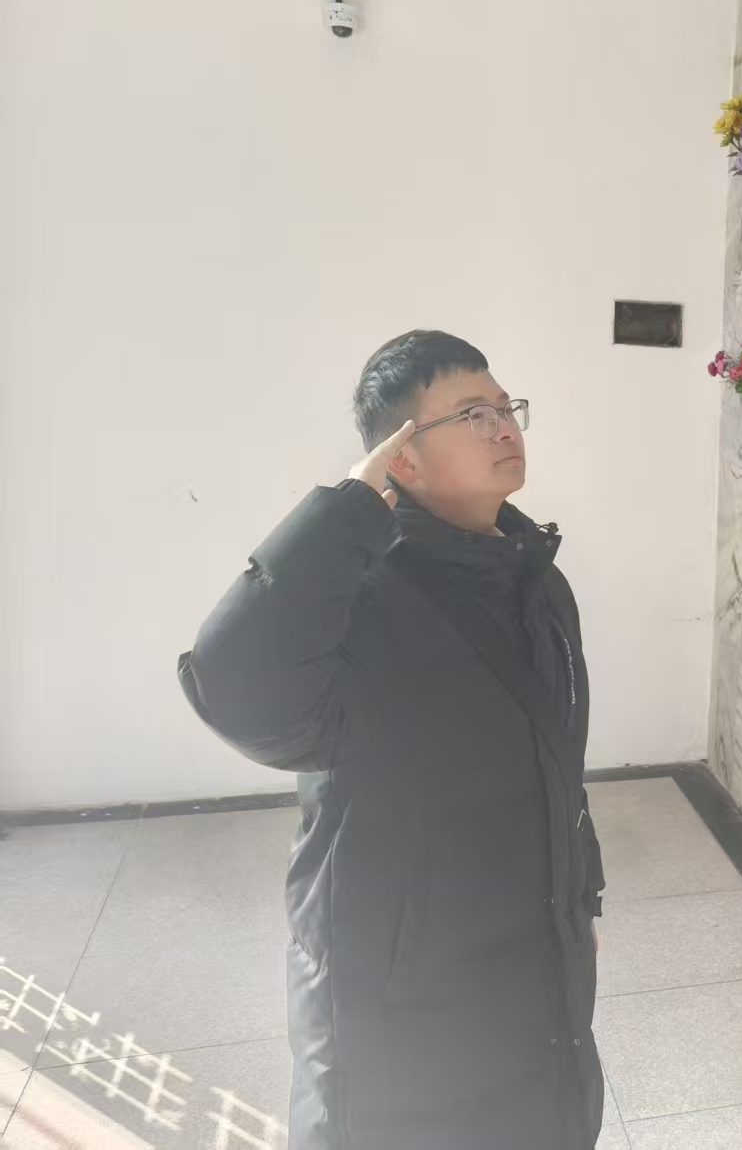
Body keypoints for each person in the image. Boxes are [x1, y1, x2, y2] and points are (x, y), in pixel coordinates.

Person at [178, 331, 604, 1150]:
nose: (503, 426)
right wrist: (347, 508)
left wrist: (582, 895)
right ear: (401, 457)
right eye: (470, 414)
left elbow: (559, 765)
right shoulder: (361, 600)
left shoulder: (538, 580)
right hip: (396, 1021)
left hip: (534, 987)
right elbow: (233, 688)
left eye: (505, 406)